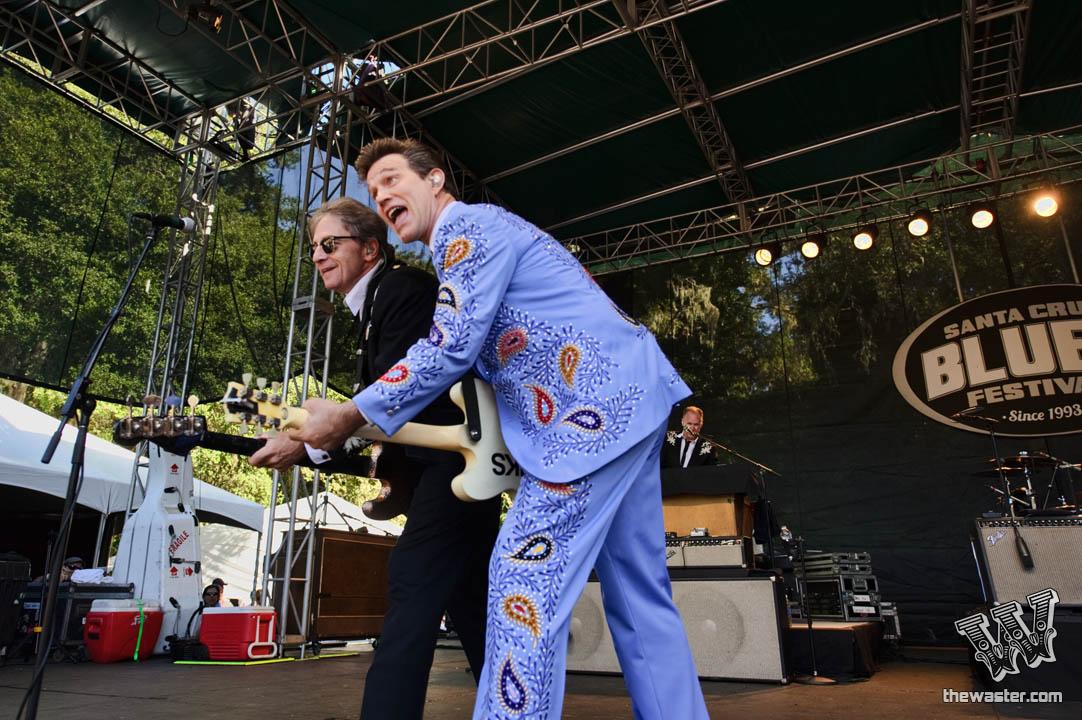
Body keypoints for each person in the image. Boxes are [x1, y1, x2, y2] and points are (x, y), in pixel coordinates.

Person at [288, 137, 709, 719]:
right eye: (374, 190)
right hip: (629, 401)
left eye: (391, 179)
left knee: (520, 581)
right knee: (640, 598)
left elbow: (449, 348)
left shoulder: (469, 231)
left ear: (435, 180)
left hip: (587, 419)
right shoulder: (470, 247)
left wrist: (351, 415)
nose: (382, 194)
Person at [249, 197, 500, 720]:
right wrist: (311, 437)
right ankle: (517, 707)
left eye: (329, 243)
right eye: (313, 247)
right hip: (449, 468)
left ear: (369, 248)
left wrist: (307, 440)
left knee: (413, 579)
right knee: (473, 601)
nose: (317, 255)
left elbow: (401, 392)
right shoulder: (378, 304)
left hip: (455, 465)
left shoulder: (402, 291)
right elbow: (381, 409)